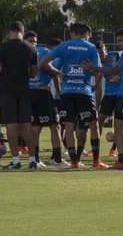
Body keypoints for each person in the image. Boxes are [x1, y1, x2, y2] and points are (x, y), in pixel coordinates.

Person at [40, 22, 106, 169]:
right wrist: (91, 70)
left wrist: (57, 72)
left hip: (67, 92)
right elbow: (97, 71)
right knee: (93, 124)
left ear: (72, 33)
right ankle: (96, 161)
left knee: (68, 127)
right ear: (85, 34)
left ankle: (74, 162)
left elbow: (44, 63)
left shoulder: (64, 46)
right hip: (84, 91)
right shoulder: (90, 48)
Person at [83, 28, 123, 170]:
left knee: (119, 127)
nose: (119, 44)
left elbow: (115, 70)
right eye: (117, 41)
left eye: (120, 40)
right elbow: (101, 80)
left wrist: (95, 68)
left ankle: (122, 158)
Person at [0, 21, 39, 169]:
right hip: (24, 89)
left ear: (10, 32)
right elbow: (34, 72)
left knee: (11, 126)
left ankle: (16, 160)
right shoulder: (31, 48)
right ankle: (32, 159)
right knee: (26, 125)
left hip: (7, 90)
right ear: (22, 32)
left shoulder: (3, 47)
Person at [27, 34, 68, 168]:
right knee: (46, 126)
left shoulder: (42, 51)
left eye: (35, 41)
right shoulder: (41, 52)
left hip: (41, 93)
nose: (33, 43)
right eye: (30, 41)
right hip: (38, 94)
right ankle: (51, 160)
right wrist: (58, 73)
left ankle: (37, 159)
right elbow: (48, 68)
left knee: (47, 126)